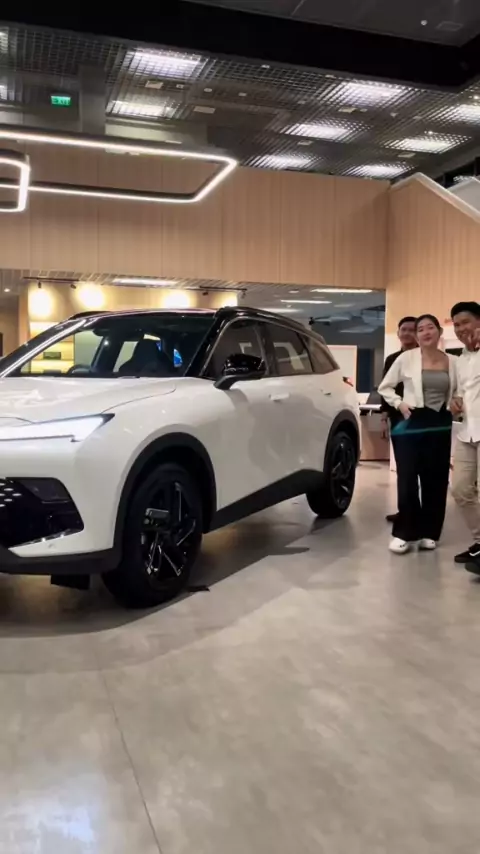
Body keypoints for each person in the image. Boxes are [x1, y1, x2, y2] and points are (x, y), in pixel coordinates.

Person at [378, 314, 458, 555]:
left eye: (430, 327)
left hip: (440, 422)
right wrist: (399, 404)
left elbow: (460, 389)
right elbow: (385, 387)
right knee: (408, 477)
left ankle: (430, 532)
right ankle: (404, 532)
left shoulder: (453, 361)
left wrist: (457, 400)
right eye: (420, 329)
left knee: (436, 478)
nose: (425, 332)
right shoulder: (406, 358)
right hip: (411, 420)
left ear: (439, 332)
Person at [449, 302, 480, 570]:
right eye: (456, 325)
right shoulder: (461, 359)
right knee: (460, 489)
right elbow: (460, 392)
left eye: (465, 322)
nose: (460, 329)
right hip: (467, 432)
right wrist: (455, 401)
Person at [379, 316, 418, 524]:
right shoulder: (392, 359)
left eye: (412, 329)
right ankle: (406, 511)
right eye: (404, 329)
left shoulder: (425, 357)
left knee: (422, 467)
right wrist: (384, 416)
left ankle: (423, 513)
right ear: (398, 333)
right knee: (404, 467)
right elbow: (385, 388)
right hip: (398, 418)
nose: (407, 333)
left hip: (422, 418)